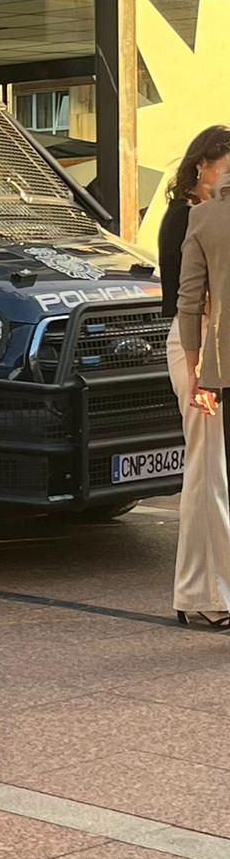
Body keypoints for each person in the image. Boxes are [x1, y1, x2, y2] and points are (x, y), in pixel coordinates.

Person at [161, 126, 230, 628]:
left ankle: (205, 592)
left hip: (210, 342)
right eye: (225, 163)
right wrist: (197, 364)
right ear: (203, 163)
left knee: (213, 473)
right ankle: (200, 594)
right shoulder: (188, 216)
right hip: (200, 346)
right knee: (207, 473)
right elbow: (186, 299)